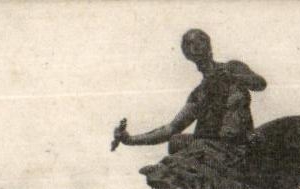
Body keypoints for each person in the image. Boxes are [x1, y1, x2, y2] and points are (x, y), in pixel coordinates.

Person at [112, 30, 265, 153]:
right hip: (210, 146)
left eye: (197, 44)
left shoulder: (233, 68)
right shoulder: (199, 94)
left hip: (239, 142)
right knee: (176, 142)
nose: (194, 49)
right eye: (189, 47)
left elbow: (260, 84)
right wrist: (130, 140)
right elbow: (171, 129)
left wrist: (235, 77)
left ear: (208, 47)